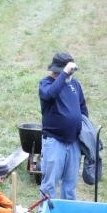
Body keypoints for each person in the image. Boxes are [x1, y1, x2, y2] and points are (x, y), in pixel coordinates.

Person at [39, 51, 88, 201]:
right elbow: (50, 94)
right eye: (68, 71)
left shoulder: (75, 84)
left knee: (70, 183)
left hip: (73, 141)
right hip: (54, 141)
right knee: (50, 182)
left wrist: (84, 130)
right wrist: (64, 74)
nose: (71, 74)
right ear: (58, 70)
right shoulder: (46, 83)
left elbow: (82, 107)